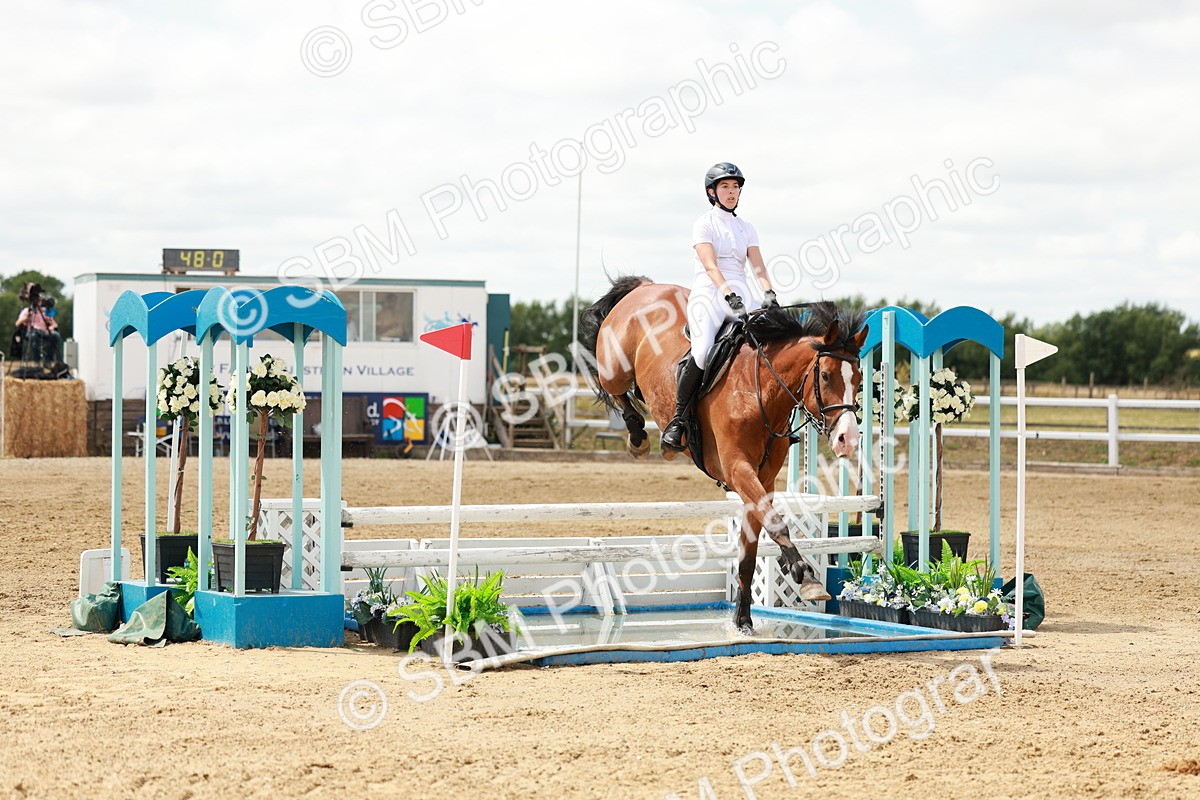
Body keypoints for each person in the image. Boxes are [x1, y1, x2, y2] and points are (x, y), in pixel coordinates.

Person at [660, 162, 779, 451]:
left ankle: (775, 420)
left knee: (772, 345)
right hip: (709, 294)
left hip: (742, 293)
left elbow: (758, 266)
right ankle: (678, 421)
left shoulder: (746, 228)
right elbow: (710, 265)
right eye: (725, 187)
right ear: (712, 192)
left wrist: (769, 293)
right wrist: (727, 293)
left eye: (735, 187)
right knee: (701, 352)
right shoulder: (704, 223)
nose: (732, 192)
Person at [14, 282, 62, 363]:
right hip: (32, 332)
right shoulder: (27, 310)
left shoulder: (45, 311)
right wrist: (27, 317)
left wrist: (51, 327)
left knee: (56, 336)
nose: (39, 301)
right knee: (34, 336)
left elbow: (54, 324)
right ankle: (37, 361)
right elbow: (17, 323)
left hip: (45, 332)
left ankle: (49, 360)